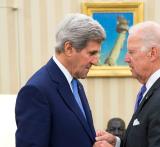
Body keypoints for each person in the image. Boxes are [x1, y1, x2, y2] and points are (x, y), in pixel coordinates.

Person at [94, 21, 160, 147]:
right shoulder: (157, 89)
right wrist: (117, 143)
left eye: (131, 52)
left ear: (152, 53)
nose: (126, 58)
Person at [15, 13, 106, 147]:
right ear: (68, 48)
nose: (96, 61)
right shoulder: (36, 91)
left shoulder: (75, 84)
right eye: (91, 53)